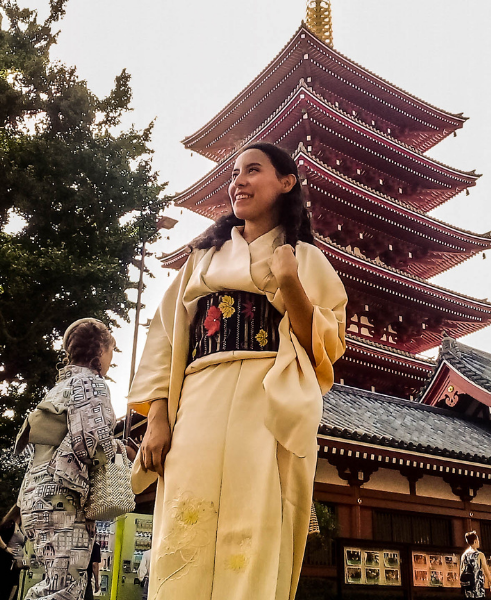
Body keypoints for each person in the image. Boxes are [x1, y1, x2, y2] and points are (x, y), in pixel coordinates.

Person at [128, 142, 348, 600]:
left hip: (266, 400)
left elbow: (322, 348)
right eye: (234, 173)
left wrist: (289, 281)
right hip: (198, 399)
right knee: (185, 528)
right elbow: (165, 338)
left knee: (257, 527)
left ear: (286, 183)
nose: (238, 181)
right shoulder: (200, 259)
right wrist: (157, 416)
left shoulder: (307, 261)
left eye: (253, 170)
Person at [14, 318, 120, 600]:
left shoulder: (58, 388)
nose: (110, 359)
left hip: (36, 496)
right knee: (65, 589)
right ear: (100, 349)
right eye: (111, 351)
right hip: (63, 499)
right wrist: (122, 453)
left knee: (55, 583)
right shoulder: (91, 383)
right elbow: (92, 444)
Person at [0, 505, 26, 600]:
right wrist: (6, 548)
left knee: (13, 592)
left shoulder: (20, 527)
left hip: (15, 567)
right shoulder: (10, 524)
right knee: (5, 593)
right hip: (8, 566)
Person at [460, 531, 491, 599]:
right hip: (478, 587)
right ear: (475, 541)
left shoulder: (464, 555)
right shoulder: (479, 554)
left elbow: (461, 571)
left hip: (467, 588)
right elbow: (486, 571)